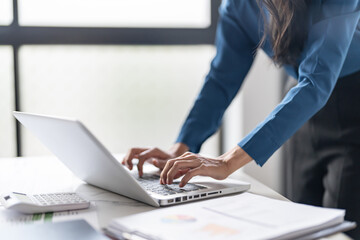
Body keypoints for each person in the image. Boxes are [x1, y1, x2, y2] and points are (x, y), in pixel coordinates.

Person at [123, 0, 360, 238]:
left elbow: (316, 83)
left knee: (343, 230)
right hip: (299, 109)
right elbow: (221, 80)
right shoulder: (238, 5)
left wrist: (227, 162)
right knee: (302, 225)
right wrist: (182, 146)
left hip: (351, 105)